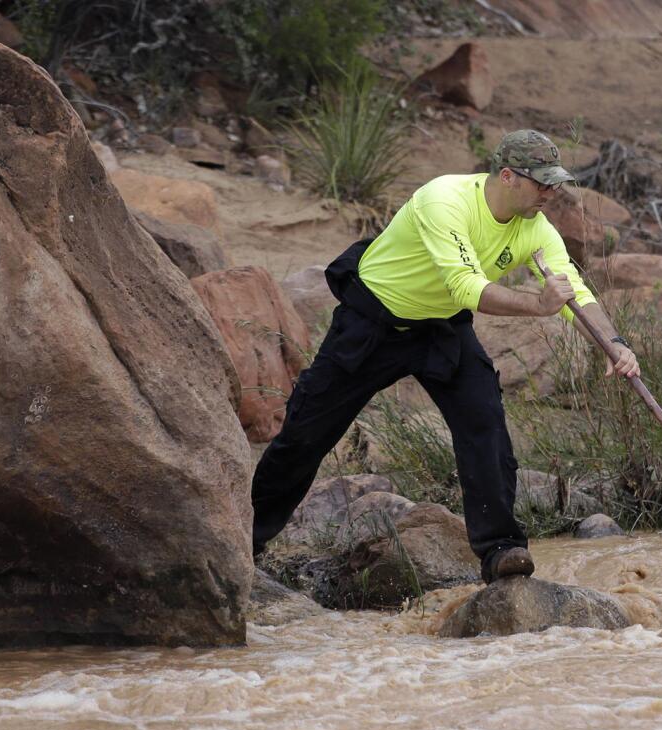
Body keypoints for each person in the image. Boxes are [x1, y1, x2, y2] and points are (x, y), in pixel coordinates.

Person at [250, 130, 640, 582]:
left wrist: (615, 345)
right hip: (373, 320)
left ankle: (501, 551)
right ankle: (247, 538)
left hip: (441, 328)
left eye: (556, 185)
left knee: (484, 422)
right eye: (542, 184)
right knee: (306, 433)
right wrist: (537, 305)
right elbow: (467, 287)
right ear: (508, 176)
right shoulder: (444, 200)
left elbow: (576, 292)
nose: (551, 195)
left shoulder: (535, 227)